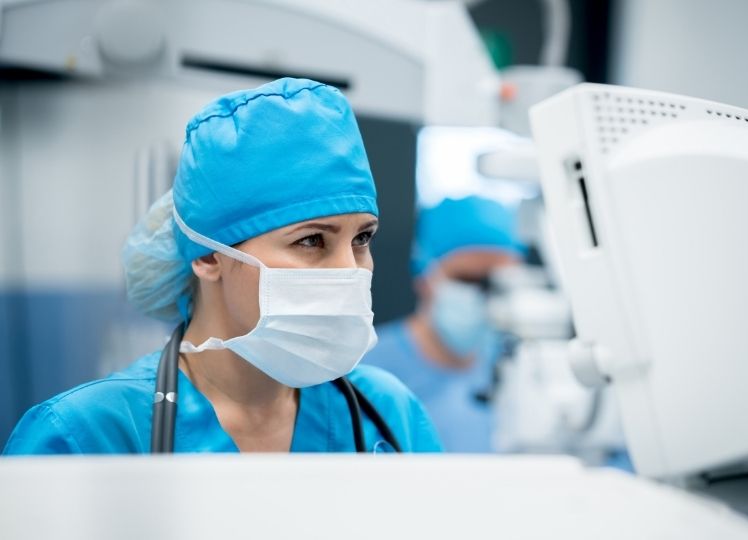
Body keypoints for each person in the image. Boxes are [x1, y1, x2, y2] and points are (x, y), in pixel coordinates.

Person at [3, 78, 442, 455]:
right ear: (208, 255)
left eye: (362, 239)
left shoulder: (388, 416)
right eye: (311, 241)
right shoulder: (88, 437)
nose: (350, 270)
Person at [362, 196, 524, 452]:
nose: (483, 296)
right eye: (467, 279)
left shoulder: (523, 371)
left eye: (496, 283)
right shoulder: (366, 373)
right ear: (425, 275)